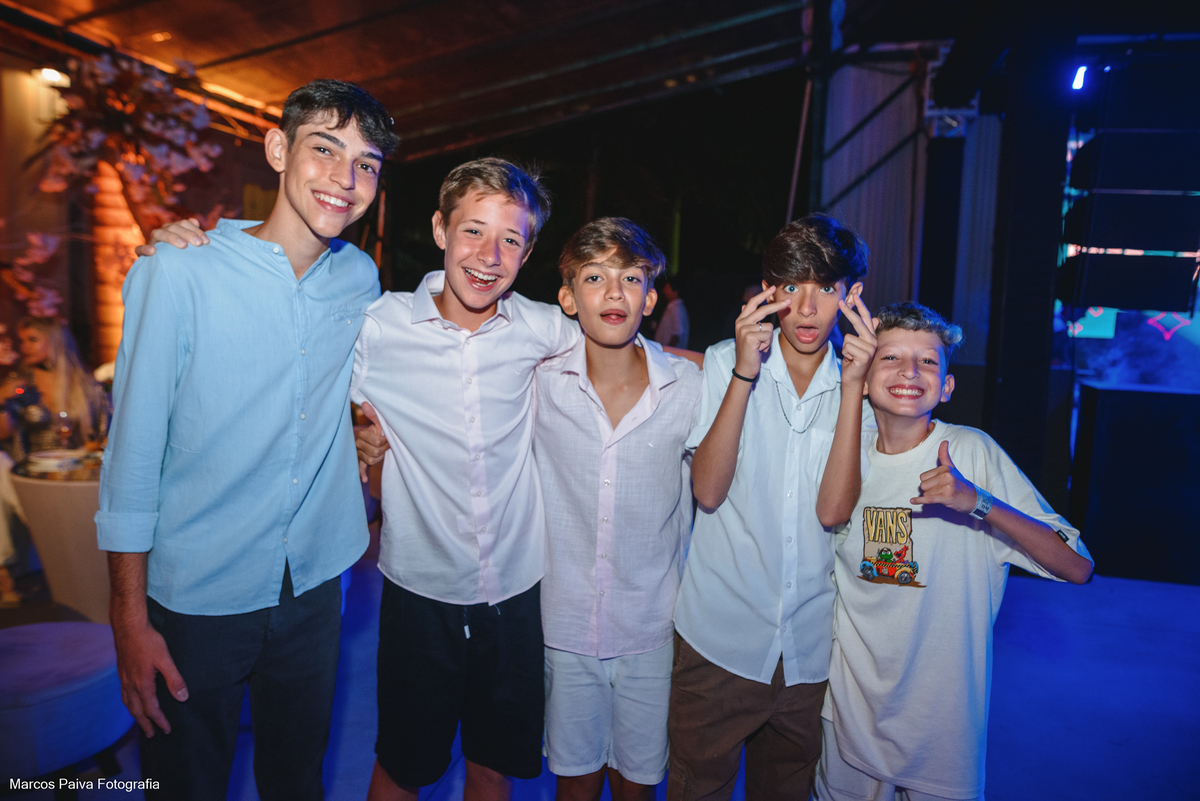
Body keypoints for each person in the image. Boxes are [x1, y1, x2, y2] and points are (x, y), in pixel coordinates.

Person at [96, 79, 398, 801]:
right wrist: (128, 618)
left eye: (365, 164)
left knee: (297, 781)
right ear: (277, 150)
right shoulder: (176, 270)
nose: (345, 178)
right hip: (197, 591)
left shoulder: (360, 278)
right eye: (325, 149)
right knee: (185, 785)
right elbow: (131, 457)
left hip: (315, 585)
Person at [350, 157, 577, 801]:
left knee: (491, 764)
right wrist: (352, 431)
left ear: (528, 252)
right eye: (473, 230)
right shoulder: (380, 326)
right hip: (419, 589)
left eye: (511, 239)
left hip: (516, 588)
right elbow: (305, 380)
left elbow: (636, 358)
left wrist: (732, 366)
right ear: (440, 230)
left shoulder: (543, 329)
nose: (489, 255)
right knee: (403, 765)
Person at [813, 301, 1093, 801]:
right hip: (849, 712)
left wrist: (979, 502)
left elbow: (1076, 566)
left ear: (946, 387)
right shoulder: (843, 455)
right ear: (863, 376)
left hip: (942, 726)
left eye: (927, 361)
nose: (909, 371)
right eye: (890, 357)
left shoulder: (970, 452)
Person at [669, 213, 873, 801]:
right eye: (790, 287)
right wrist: (743, 372)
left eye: (825, 289)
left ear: (851, 296)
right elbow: (708, 491)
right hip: (718, 639)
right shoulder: (721, 361)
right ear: (767, 291)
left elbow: (833, 511)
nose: (806, 308)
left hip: (809, 650)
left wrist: (854, 387)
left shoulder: (861, 388)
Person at [536, 218, 701, 801]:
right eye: (594, 277)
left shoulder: (689, 386)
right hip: (563, 624)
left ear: (650, 298)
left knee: (639, 783)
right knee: (575, 780)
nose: (613, 292)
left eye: (630, 278)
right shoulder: (539, 382)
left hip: (652, 626)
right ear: (568, 298)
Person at [0, 317, 108, 458]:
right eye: (22, 341)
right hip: (33, 466)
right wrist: (1, 400)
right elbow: (4, 435)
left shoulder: (85, 383)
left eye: (32, 340)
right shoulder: (19, 383)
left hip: (77, 464)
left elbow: (104, 432)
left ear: (55, 341)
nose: (25, 347)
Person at [654, 275, 689, 348]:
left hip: (670, 353)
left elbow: (677, 335)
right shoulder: (672, 307)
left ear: (675, 291)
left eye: (667, 288)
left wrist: (666, 350)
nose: (664, 291)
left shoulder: (677, 309)